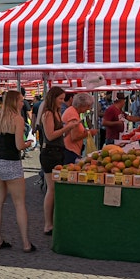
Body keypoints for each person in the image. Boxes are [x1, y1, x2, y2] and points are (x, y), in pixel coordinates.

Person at [0, 90, 35, 253]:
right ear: (14, 102)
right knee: (19, 204)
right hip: (11, 163)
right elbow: (19, 146)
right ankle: (26, 243)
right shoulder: (18, 119)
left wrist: (2, 146)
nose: (23, 103)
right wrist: (29, 143)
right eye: (21, 100)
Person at [39, 87, 78, 235]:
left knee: (54, 189)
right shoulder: (48, 113)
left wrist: (69, 127)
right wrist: (67, 127)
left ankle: (53, 221)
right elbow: (50, 135)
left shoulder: (56, 112)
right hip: (50, 153)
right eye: (60, 99)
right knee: (52, 188)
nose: (62, 102)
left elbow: (59, 135)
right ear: (53, 98)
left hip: (57, 152)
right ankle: (48, 224)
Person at [62, 92, 98, 165]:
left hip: (70, 150)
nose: (88, 109)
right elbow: (74, 137)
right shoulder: (72, 115)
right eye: (88, 106)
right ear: (82, 105)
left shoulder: (73, 111)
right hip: (70, 151)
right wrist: (89, 133)